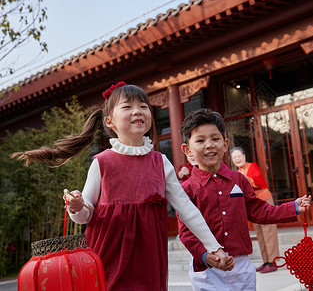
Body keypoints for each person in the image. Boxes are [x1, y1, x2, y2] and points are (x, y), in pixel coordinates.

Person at [11, 82, 233, 290]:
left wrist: (213, 247)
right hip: (107, 255)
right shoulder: (102, 162)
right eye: (127, 106)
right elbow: (84, 216)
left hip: (149, 257)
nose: (137, 111)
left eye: (143, 106)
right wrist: (77, 205)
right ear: (110, 121)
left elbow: (186, 208)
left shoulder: (160, 162)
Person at [177, 108, 311, 290]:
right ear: (187, 150)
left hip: (241, 267)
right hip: (207, 269)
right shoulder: (186, 189)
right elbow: (186, 233)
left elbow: (259, 210)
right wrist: (204, 256)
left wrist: (293, 207)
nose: (209, 145)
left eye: (215, 139)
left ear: (225, 145)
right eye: (200, 140)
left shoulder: (238, 179)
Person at [230, 146, 279, 273]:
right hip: (253, 205)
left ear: (244, 156)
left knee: (268, 231)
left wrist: (246, 180)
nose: (237, 159)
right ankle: (266, 261)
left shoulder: (252, 166)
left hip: (263, 200)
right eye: (234, 157)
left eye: (239, 156)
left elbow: (260, 182)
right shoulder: (238, 172)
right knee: (260, 233)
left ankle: (273, 262)